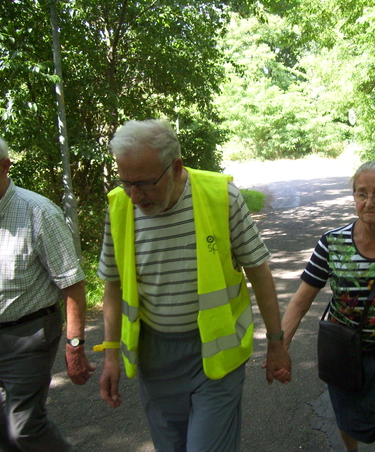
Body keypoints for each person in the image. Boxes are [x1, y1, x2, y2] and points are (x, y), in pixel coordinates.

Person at [96, 119, 291, 452]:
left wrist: (276, 342)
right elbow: (113, 285)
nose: (135, 195)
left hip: (217, 352)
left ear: (175, 167)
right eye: (126, 182)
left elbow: (258, 271)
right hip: (155, 357)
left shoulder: (219, 195)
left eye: (144, 183)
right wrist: (111, 355)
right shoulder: (119, 207)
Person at [0, 132, 94, 452]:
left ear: (4, 166)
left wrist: (75, 345)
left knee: (26, 428)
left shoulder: (38, 212)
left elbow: (72, 284)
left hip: (29, 333)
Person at [282, 161, 375, 452]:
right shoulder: (331, 243)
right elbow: (300, 301)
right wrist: (281, 347)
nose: (369, 202)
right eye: (361, 193)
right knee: (350, 419)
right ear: (353, 197)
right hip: (345, 351)